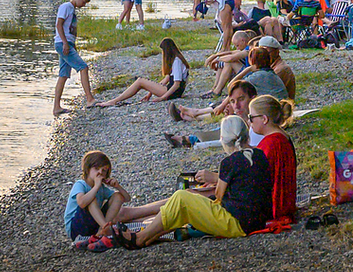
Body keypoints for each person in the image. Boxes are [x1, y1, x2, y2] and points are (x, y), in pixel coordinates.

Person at [127, 115, 270, 245]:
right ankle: (147, 237)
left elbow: (219, 197)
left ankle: (140, 237)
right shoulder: (260, 155)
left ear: (223, 139)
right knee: (184, 202)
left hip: (237, 224)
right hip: (258, 221)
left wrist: (208, 188)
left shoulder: (229, 162)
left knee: (181, 198)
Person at [247, 93, 298, 224]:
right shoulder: (282, 137)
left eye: (251, 117)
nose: (249, 122)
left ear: (264, 119)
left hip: (273, 208)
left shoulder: (271, 144)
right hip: (284, 203)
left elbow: (255, 178)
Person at [95, 38, 190, 107]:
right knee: (141, 82)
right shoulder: (176, 60)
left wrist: (162, 98)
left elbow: (176, 84)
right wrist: (150, 93)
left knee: (140, 81)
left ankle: (114, 101)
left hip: (173, 92)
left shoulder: (177, 61)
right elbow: (167, 79)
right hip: (174, 92)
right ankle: (115, 100)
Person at [65, 150, 132, 247]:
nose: (100, 172)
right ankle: (105, 227)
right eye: (96, 169)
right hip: (77, 228)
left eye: (104, 170)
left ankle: (103, 229)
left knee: (117, 195)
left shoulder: (101, 188)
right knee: (90, 198)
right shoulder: (80, 184)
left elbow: (126, 198)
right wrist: (96, 186)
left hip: (94, 226)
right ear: (88, 169)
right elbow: (82, 203)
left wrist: (117, 187)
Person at [166, 79, 256, 146]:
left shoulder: (259, 118)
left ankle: (188, 139)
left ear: (253, 98)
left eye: (241, 99)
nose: (236, 105)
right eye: (232, 101)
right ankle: (189, 137)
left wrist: (232, 123)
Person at [52, 0, 94, 116]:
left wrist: (72, 45)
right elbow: (59, 25)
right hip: (62, 43)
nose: (83, 5)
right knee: (83, 67)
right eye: (83, 2)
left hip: (67, 43)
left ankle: (56, 107)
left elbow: (70, 30)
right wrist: (65, 43)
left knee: (63, 75)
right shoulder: (66, 6)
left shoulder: (71, 9)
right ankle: (89, 99)